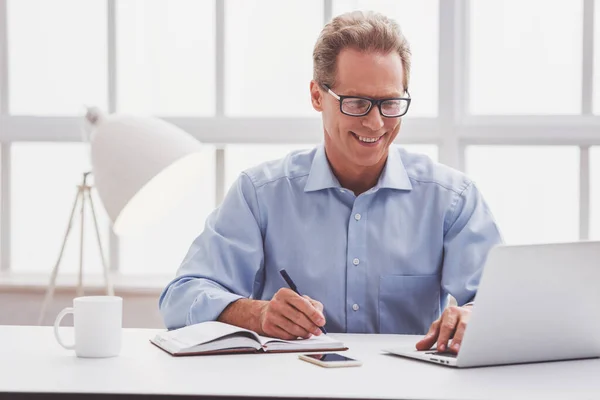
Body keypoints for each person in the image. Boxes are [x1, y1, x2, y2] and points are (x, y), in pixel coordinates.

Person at [159, 10, 502, 355]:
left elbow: (500, 302)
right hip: (288, 387)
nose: (375, 122)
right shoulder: (260, 194)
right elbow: (181, 297)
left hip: (407, 389)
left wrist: (474, 315)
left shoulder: (452, 200)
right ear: (317, 96)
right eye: (356, 103)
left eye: (390, 103)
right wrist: (256, 313)